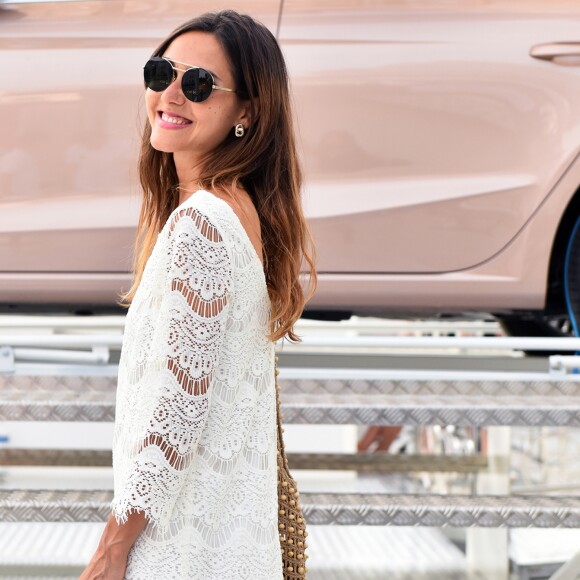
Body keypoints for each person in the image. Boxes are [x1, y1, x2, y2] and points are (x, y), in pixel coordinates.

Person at [79, 9, 317, 579]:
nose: (171, 94)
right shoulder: (238, 212)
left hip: (184, 550)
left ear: (248, 113)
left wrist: (112, 547)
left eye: (199, 84)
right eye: (162, 73)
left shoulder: (204, 224)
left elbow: (178, 411)